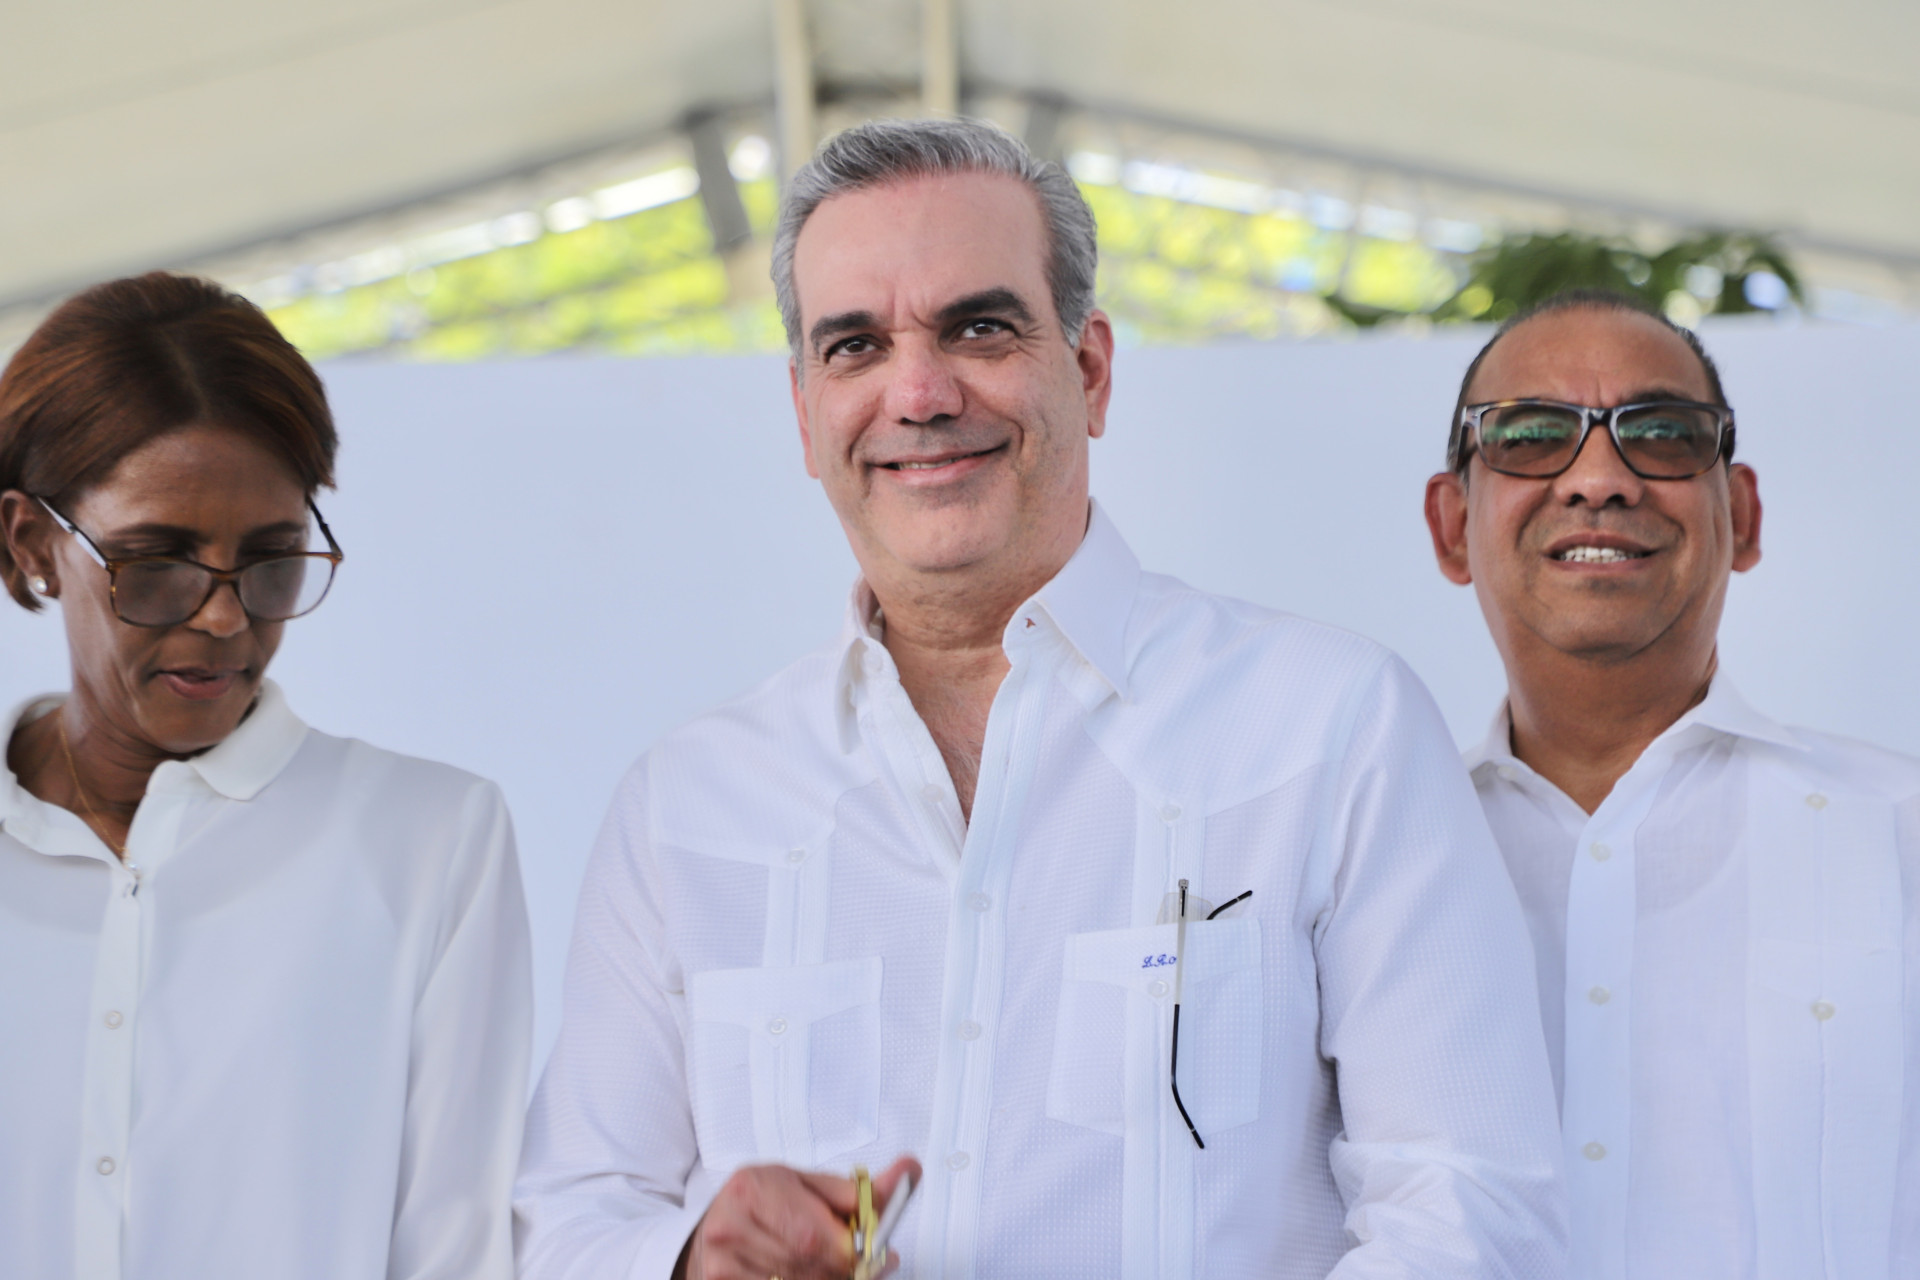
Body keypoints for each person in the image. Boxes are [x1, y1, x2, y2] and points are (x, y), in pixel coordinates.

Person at [516, 118, 1566, 1280]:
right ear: (806, 414)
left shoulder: (1329, 727)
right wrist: (687, 1260)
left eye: (978, 327)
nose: (919, 392)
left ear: (1092, 369)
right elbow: (567, 1222)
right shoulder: (689, 803)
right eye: (856, 345)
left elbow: (1468, 1208)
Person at [0, 273, 532, 1280]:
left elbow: (457, 1247)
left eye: (272, 561)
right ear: (34, 544)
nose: (224, 616)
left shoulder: (427, 841)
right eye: (157, 562)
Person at [1423, 289, 1920, 1279]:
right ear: (1451, 526)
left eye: (1661, 433)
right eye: (1530, 435)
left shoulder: (1899, 834)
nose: (1599, 479)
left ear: (1742, 513)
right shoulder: (1374, 855)